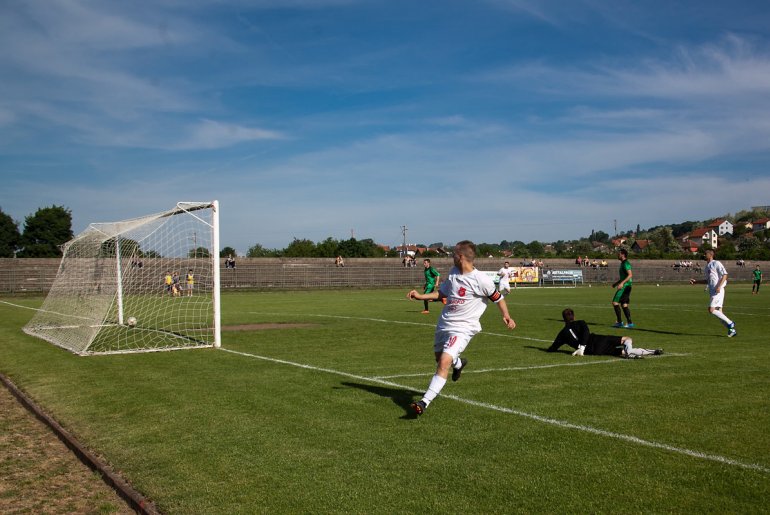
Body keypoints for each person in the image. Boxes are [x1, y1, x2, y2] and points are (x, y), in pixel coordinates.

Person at [406, 241, 516, 415]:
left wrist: (506, 316)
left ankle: (424, 402)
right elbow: (442, 293)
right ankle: (458, 363)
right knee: (439, 358)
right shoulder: (453, 273)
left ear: (461, 256)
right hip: (444, 323)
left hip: (463, 328)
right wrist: (421, 296)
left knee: (443, 362)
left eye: (454, 254)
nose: (452, 256)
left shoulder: (481, 279)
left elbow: (498, 297)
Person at [547, 308, 662, 358]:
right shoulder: (581, 323)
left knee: (620, 351)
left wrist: (547, 350)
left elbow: (553, 347)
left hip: (593, 351)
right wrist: (582, 346)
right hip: (598, 340)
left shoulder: (562, 333)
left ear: (563, 319)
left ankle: (635, 352)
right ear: (574, 316)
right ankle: (635, 352)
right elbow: (586, 332)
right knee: (627, 339)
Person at [690, 249, 736, 337]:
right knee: (719, 314)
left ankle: (731, 323)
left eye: (705, 254)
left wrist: (719, 286)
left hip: (718, 291)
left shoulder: (716, 263)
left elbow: (725, 275)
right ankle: (732, 330)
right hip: (712, 292)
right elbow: (708, 280)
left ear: (711, 255)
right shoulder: (707, 266)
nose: (704, 255)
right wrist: (696, 282)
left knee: (711, 310)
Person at [611, 249, 634, 328]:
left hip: (625, 286)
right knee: (624, 304)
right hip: (627, 285)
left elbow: (630, 275)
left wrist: (621, 283)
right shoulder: (622, 264)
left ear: (623, 255)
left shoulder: (626, 263)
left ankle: (620, 322)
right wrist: (616, 283)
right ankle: (630, 323)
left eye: (619, 254)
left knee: (615, 302)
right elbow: (624, 277)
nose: (617, 255)